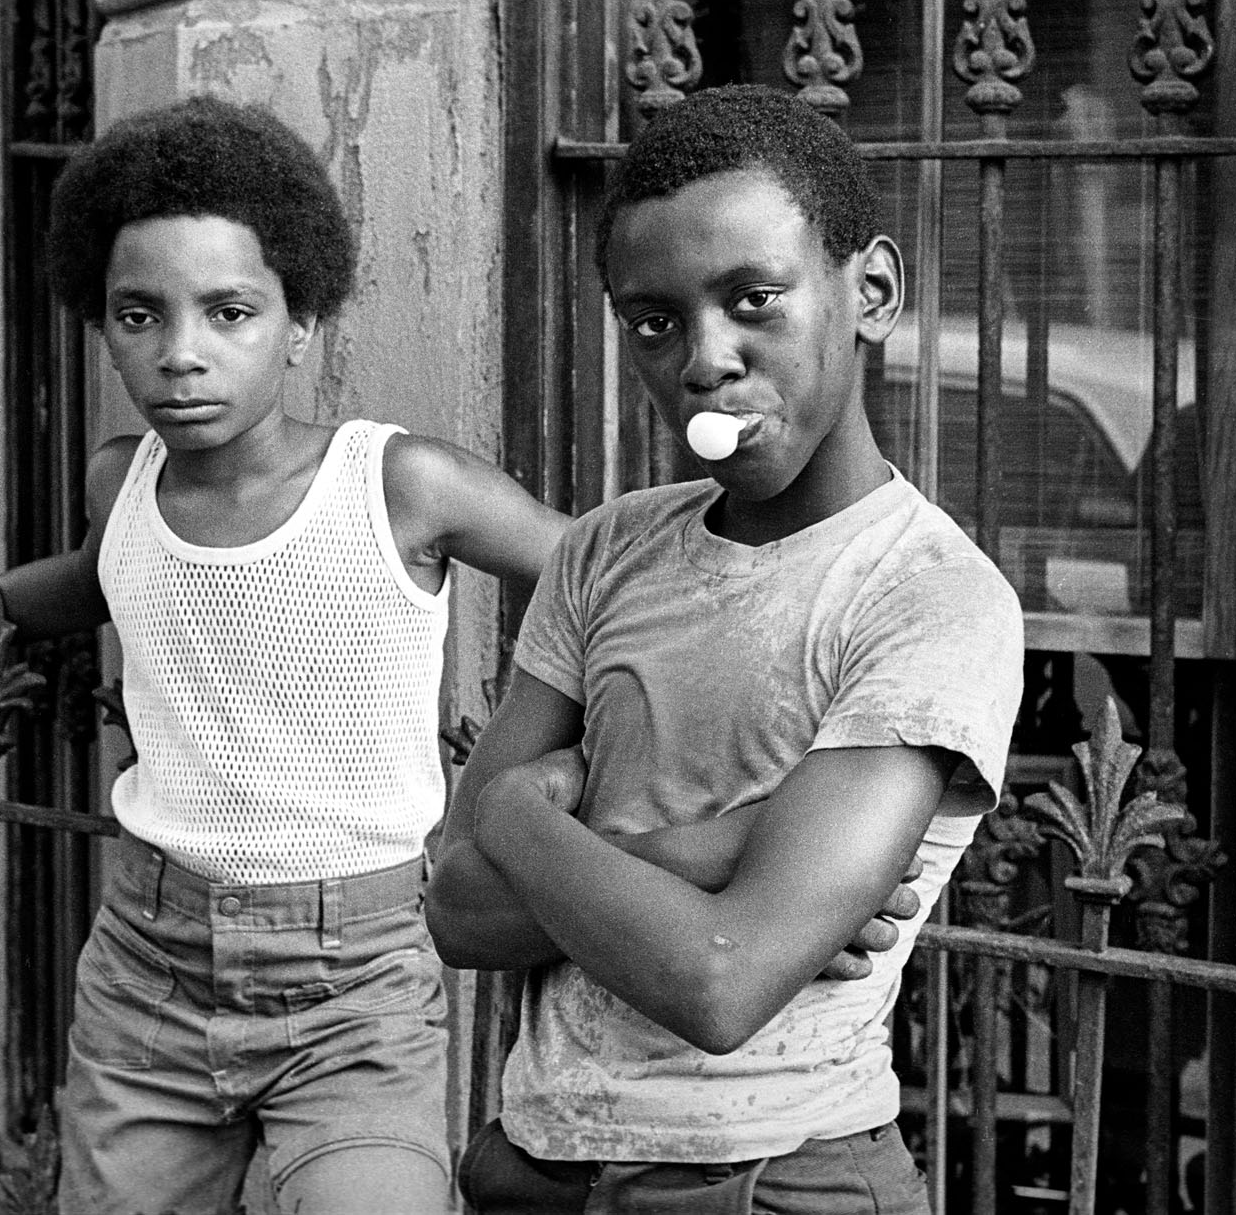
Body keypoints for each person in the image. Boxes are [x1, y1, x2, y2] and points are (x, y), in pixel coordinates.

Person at [0, 96, 920, 1215]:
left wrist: (742, 850)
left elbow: (615, 586)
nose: (181, 354)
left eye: (228, 313)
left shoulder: (399, 485)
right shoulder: (120, 482)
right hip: (147, 967)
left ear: (300, 320)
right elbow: (74, 586)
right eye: (138, 315)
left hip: (355, 976)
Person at [424, 83, 1026, 1214]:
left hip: (771, 1177)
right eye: (654, 322)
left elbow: (719, 976)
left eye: (752, 299)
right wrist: (711, 849)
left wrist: (516, 816)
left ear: (871, 292)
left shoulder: (932, 598)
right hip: (540, 1167)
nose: (704, 360)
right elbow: (457, 910)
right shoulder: (604, 550)